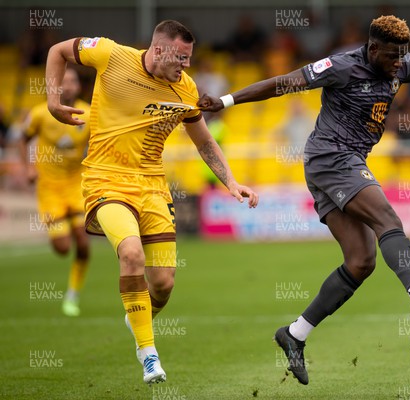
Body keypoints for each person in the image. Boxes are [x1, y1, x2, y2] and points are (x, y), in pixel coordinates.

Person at [200, 15, 410, 385]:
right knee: (388, 219)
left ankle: (294, 334)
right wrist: (224, 102)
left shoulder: (401, 64)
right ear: (372, 49)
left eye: (402, 56)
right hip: (331, 158)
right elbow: (283, 83)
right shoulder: (340, 67)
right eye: (391, 56)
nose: (398, 64)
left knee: (361, 261)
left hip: (341, 163)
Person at [45, 20, 259, 385]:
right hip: (106, 179)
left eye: (190, 58)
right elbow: (58, 51)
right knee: (131, 255)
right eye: (181, 57)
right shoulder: (110, 54)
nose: (187, 65)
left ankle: (137, 316)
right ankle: (148, 354)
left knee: (162, 284)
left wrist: (231, 181)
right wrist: (52, 100)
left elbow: (203, 140)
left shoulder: (186, 89)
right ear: (158, 50)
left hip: (153, 188)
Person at [19, 67, 91, 317]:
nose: (69, 85)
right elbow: (23, 138)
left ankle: (73, 295)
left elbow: (98, 145)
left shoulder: (89, 114)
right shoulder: (41, 113)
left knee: (83, 242)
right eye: (64, 81)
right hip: (48, 189)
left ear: (78, 86)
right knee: (62, 248)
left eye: (73, 81)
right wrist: (28, 168)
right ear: (56, 88)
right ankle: (64, 228)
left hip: (76, 185)